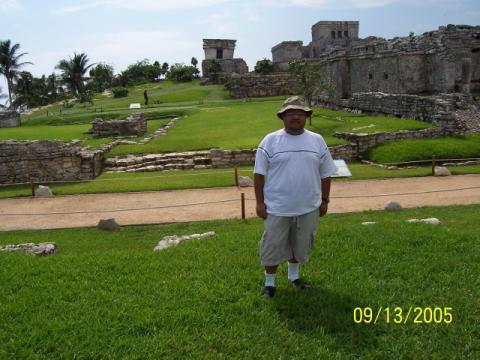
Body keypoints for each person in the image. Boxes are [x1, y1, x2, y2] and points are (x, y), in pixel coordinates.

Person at [253, 96, 337, 298]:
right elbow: (259, 173)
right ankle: (270, 284)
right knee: (272, 245)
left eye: (300, 113)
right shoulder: (270, 140)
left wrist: (325, 200)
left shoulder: (317, 140)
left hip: (308, 206)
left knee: (299, 245)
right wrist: (259, 203)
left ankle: (294, 277)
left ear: (307, 116)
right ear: (282, 117)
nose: (295, 117)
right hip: (277, 207)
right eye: (290, 113)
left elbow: (326, 173)